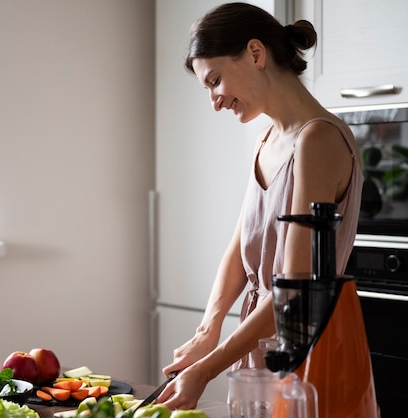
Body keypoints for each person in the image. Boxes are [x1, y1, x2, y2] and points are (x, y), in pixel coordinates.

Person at [157, 2, 369, 412]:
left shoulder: (317, 141)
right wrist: (208, 329)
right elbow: (240, 249)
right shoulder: (267, 140)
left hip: (303, 350)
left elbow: (294, 291)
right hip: (259, 343)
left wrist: (204, 371)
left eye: (215, 80)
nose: (215, 101)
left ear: (256, 53)